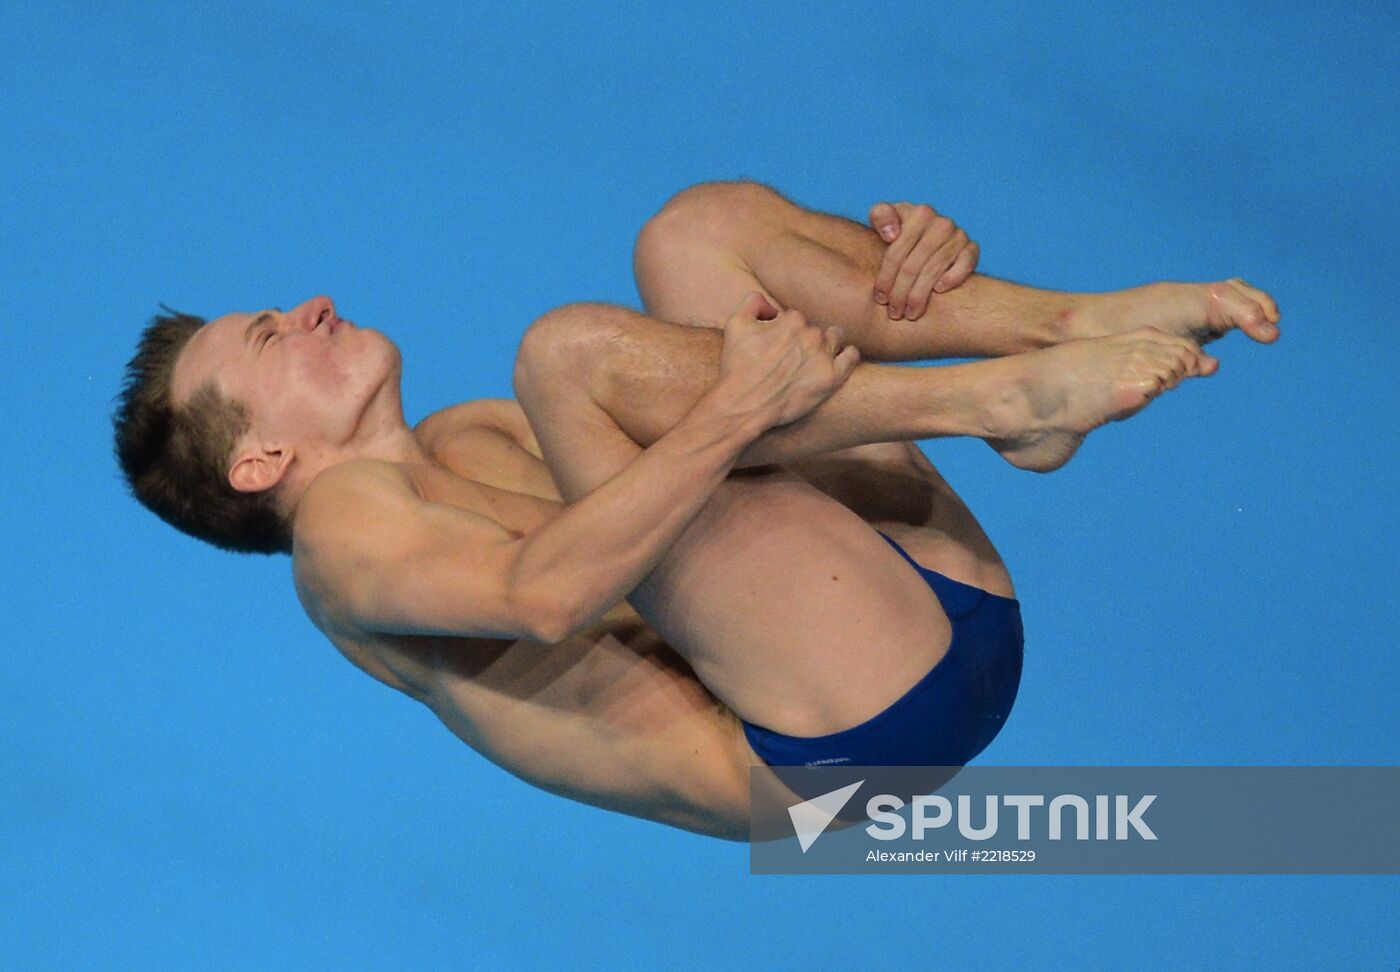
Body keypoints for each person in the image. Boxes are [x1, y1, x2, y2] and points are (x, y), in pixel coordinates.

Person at [113, 181, 1279, 839]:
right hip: (842, 742)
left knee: (700, 235)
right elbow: (550, 592)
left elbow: (775, 426)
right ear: (259, 459)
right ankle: (1006, 395)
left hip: (900, 611)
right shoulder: (341, 547)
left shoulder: (466, 433)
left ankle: (1050, 334)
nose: (309, 306)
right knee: (566, 352)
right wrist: (743, 405)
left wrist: (893, 294)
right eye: (271, 335)